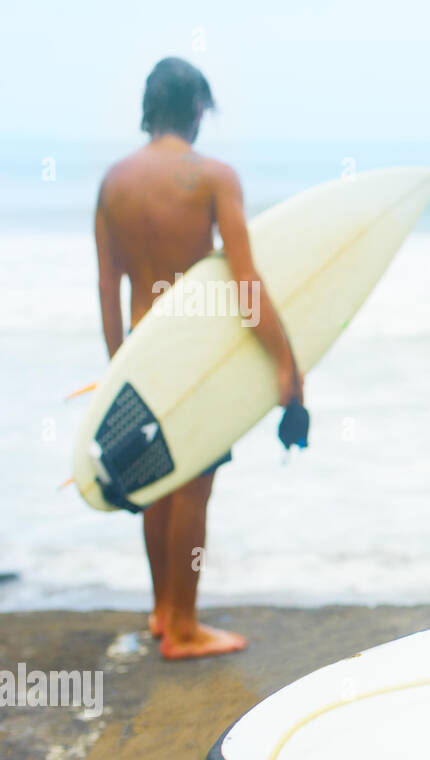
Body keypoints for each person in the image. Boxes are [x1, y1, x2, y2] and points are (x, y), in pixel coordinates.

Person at [94, 58, 302, 659]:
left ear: (148, 108)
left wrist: (116, 370)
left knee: (155, 481)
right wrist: (285, 363)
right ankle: (184, 629)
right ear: (198, 108)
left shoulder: (114, 182)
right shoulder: (213, 177)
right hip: (191, 350)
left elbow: (107, 286)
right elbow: (245, 281)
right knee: (192, 485)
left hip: (140, 350)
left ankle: (164, 610)